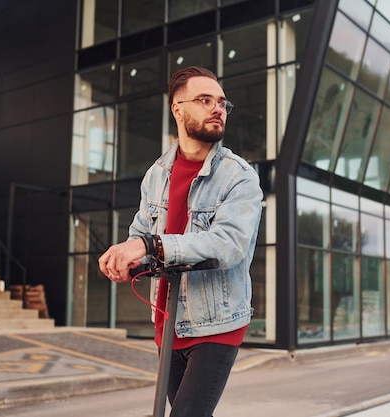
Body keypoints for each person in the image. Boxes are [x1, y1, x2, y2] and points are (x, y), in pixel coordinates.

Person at [98, 66, 263, 417]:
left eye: (222, 103)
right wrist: (129, 261)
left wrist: (149, 246)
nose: (217, 108)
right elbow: (140, 232)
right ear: (177, 109)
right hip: (167, 322)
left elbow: (228, 244)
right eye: (205, 100)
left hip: (216, 325)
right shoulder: (156, 175)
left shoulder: (240, 177)